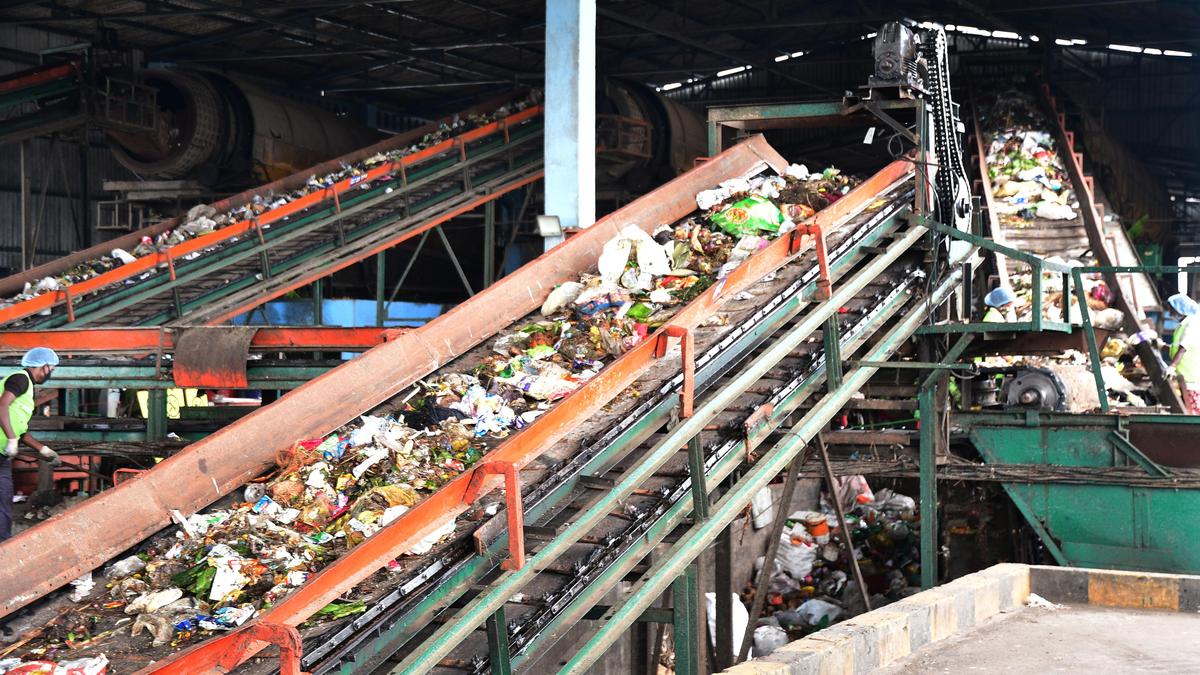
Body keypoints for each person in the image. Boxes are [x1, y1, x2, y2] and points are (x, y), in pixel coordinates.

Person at [0, 347, 61, 541]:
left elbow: (21, 430)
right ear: (44, 367)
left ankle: (4, 546)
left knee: (4, 501)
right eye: (51, 368)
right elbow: (1, 406)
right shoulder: (20, 379)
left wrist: (44, 450)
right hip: (3, 448)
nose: (50, 373)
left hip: (2, 454)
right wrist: (11, 439)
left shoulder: (27, 387)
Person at [1167, 293, 1200, 415]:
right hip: (1184, 377)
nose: (1169, 313)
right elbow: (1177, 347)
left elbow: (1184, 347)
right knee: (1187, 410)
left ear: (1180, 309)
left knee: (1193, 415)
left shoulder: (1193, 323)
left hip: (1192, 379)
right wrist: (1163, 347)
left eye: (1171, 309)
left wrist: (1172, 366)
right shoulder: (1183, 324)